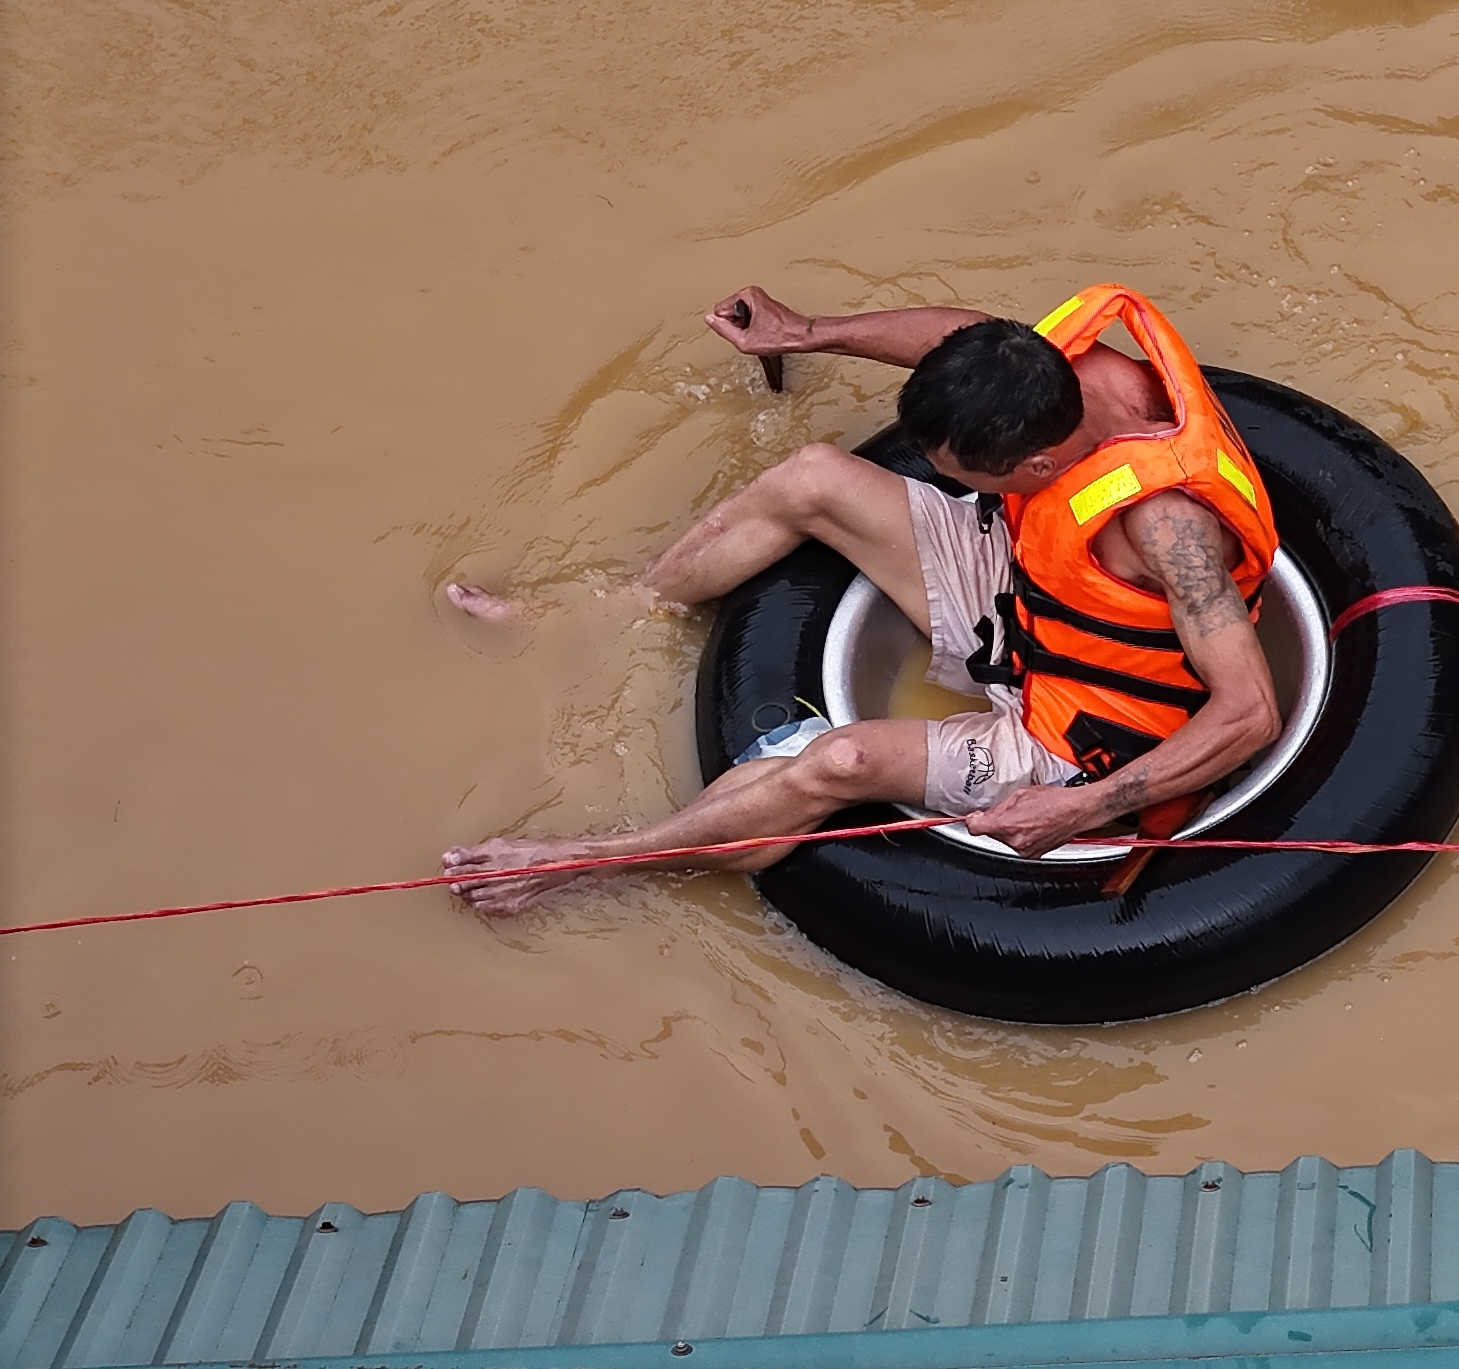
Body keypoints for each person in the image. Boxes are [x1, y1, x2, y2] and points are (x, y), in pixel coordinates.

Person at [443, 284, 1281, 915]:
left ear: (1034, 469)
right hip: (1031, 600)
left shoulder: (1170, 531)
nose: (942, 487)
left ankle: (588, 861)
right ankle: (615, 611)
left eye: (961, 479)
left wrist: (1085, 807)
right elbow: (956, 339)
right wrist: (807, 333)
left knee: (841, 762)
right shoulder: (1055, 370)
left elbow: (1248, 712)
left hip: (1091, 723)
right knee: (812, 477)